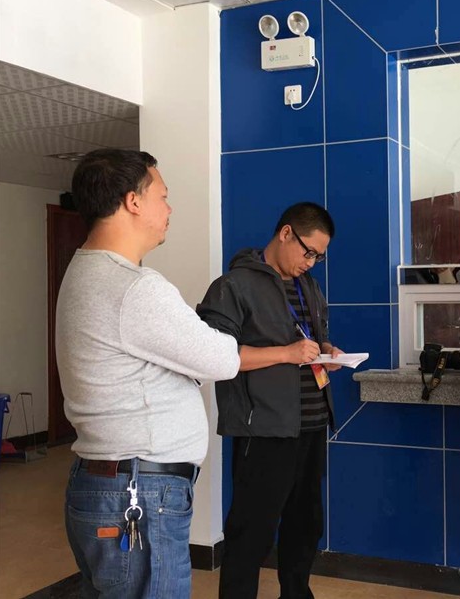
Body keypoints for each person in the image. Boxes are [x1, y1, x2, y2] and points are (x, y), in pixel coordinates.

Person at [55, 149, 242, 598]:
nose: (169, 209)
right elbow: (222, 359)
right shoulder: (135, 287)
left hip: (114, 484)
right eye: (163, 196)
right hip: (137, 493)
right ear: (133, 201)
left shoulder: (83, 271)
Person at [197, 202, 343, 599]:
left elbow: (308, 342)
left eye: (319, 257)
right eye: (308, 252)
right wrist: (286, 353)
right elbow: (215, 356)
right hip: (263, 429)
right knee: (252, 531)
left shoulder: (308, 287)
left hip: (310, 424)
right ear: (285, 233)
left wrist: (326, 352)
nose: (310, 263)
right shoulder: (233, 286)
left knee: (305, 525)